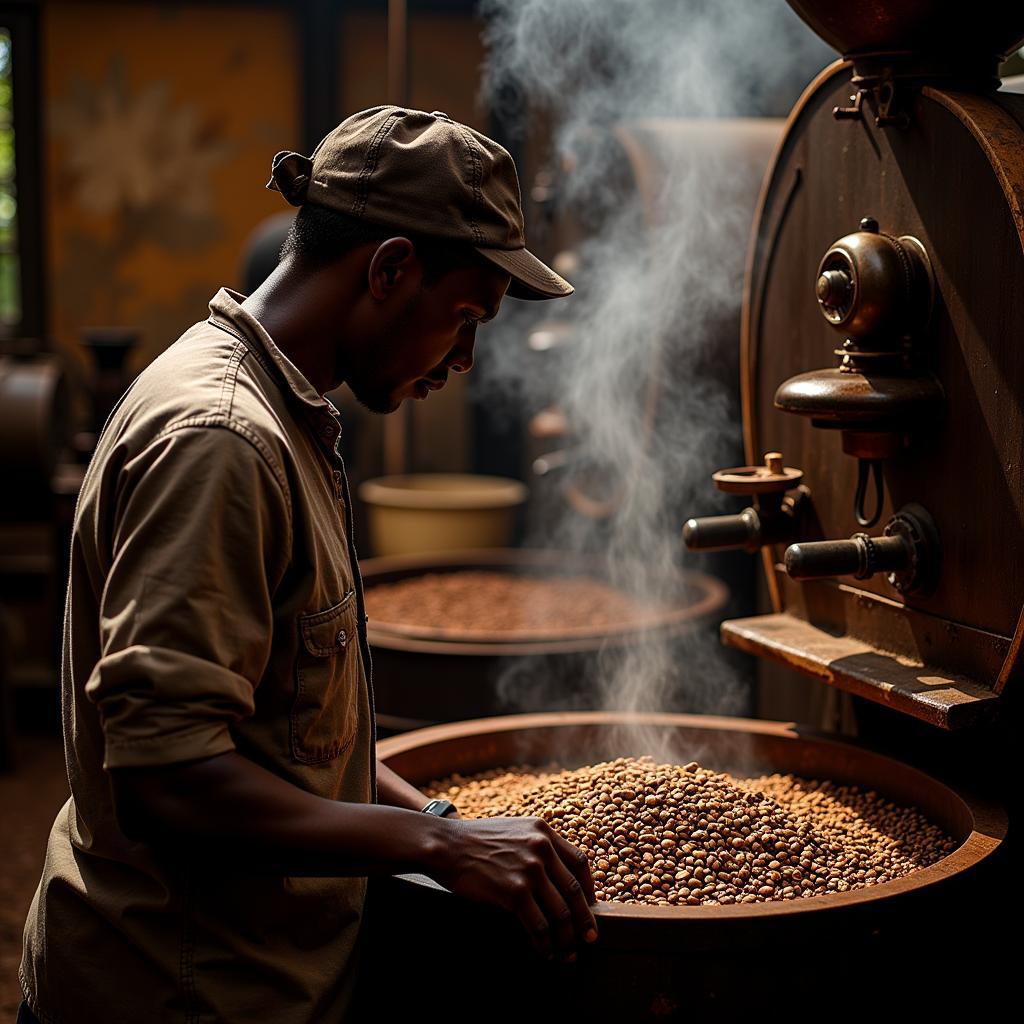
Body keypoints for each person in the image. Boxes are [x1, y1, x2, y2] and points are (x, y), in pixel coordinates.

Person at [19, 105, 597, 1024]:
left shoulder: (285, 415)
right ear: (390, 269)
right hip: (185, 991)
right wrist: (437, 851)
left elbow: (294, 742)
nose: (467, 360)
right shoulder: (221, 441)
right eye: (463, 318)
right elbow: (168, 779)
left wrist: (447, 827)